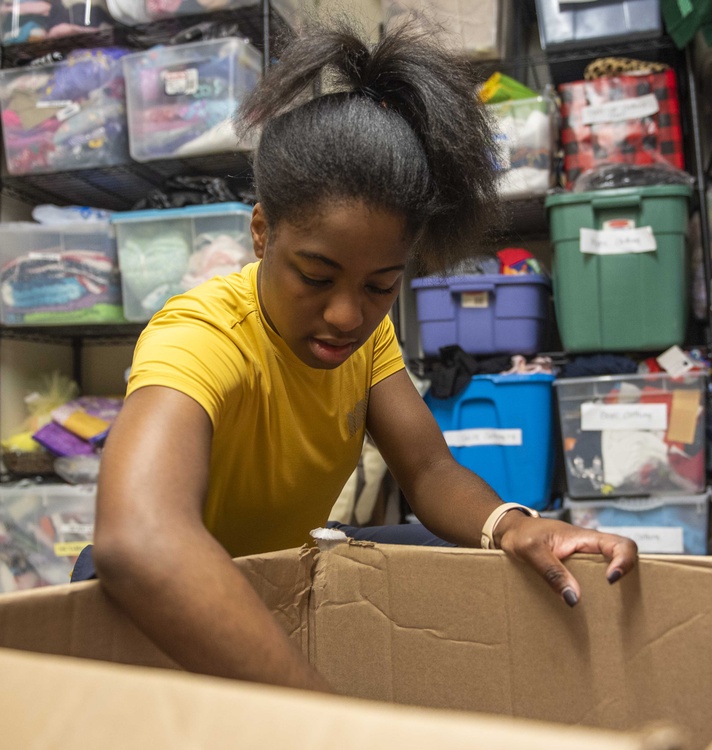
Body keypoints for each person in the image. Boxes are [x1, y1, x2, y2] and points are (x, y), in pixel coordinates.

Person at [92, 16, 638, 694]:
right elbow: (137, 540)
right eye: (315, 277)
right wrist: (324, 714)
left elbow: (430, 468)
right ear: (262, 231)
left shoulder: (361, 336)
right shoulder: (203, 337)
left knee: (472, 554)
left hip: (275, 576)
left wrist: (512, 526)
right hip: (163, 603)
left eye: (381, 285)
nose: (348, 314)